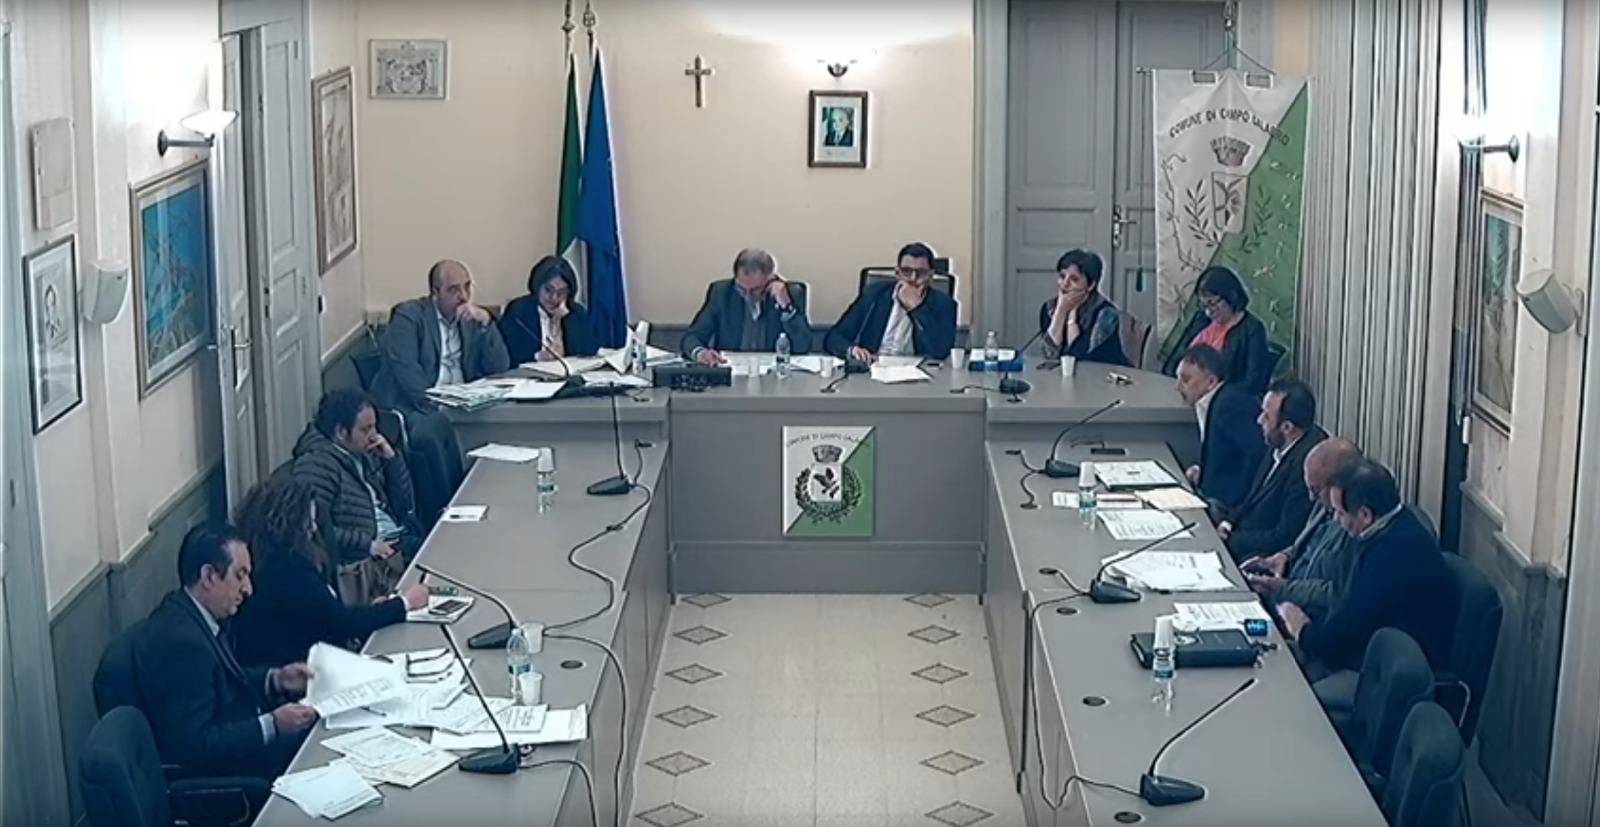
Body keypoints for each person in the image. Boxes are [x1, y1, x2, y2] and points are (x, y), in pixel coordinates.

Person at [132, 523, 317, 779]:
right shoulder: (183, 644)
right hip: (231, 773)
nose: (248, 589)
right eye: (240, 575)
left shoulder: (192, 615)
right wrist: (272, 725)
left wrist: (276, 679)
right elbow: (194, 744)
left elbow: (221, 681)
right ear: (209, 576)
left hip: (242, 741)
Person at [1277, 461, 1456, 681]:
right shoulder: (1385, 529)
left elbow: (1348, 631)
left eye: (1339, 512)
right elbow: (1342, 597)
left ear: (1365, 515)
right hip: (1362, 653)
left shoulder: (1394, 554)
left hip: (1380, 674)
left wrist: (1303, 631)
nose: (1336, 520)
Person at [232, 475, 429, 668]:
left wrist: (375, 609)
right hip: (304, 671)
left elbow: (325, 614)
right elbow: (343, 624)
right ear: (292, 524)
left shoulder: (265, 558)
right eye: (309, 521)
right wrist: (405, 603)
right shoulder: (289, 571)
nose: (313, 528)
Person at [375, 259, 511, 521]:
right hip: (419, 406)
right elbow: (408, 375)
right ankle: (445, 509)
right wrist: (438, 405)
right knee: (433, 429)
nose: (463, 296)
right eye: (453, 290)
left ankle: (491, 501)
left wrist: (487, 323)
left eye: (467, 287)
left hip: (464, 402)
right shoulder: (409, 316)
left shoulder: (471, 318)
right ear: (434, 293)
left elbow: (500, 366)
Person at [291, 389, 424, 604]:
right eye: (366, 429)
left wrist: (391, 460)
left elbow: (404, 505)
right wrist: (367, 544)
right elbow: (316, 530)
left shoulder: (365, 452)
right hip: (371, 558)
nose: (374, 435)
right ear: (341, 433)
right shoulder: (316, 465)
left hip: (397, 537)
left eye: (374, 426)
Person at [1241, 438, 1364, 619]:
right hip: (1286, 588)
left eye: (1315, 490)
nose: (1311, 498)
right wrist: (1284, 556)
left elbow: (1334, 592)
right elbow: (1307, 542)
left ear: (1339, 486)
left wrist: (1280, 588)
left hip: (1303, 613)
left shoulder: (1353, 525)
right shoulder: (1323, 502)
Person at [1217, 379, 1327, 561]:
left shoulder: (1307, 467)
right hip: (1241, 534)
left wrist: (1230, 541)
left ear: (1287, 427)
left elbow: (1283, 537)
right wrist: (1227, 523)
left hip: (1258, 556)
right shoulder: (1278, 442)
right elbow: (1252, 498)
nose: (1259, 420)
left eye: (1266, 416)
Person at [825, 242, 958, 362]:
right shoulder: (875, 294)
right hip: (873, 366)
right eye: (906, 271)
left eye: (921, 272)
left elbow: (940, 351)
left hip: (918, 371)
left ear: (930, 276)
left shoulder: (944, 304)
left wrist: (917, 308)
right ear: (897, 273)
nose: (913, 278)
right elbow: (833, 338)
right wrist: (852, 350)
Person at [682, 248, 813, 365]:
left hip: (774, 373)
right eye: (742, 289)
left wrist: (786, 306)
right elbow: (692, 337)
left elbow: (803, 347)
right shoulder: (721, 293)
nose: (748, 295)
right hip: (731, 371)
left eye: (755, 289)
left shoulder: (790, 293)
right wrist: (701, 354)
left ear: (771, 279)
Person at [1174, 344, 1266, 512]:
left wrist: (1233, 502)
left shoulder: (1230, 404)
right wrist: (1204, 471)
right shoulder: (1212, 401)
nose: (1178, 387)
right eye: (1178, 379)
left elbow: (1257, 453)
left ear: (1211, 381)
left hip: (1226, 504)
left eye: (1186, 380)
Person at [1161, 266, 1273, 393]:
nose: (1208, 312)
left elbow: (1254, 383)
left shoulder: (1252, 329)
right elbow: (1173, 362)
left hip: (1222, 399)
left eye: (1213, 304)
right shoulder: (1201, 319)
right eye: (1204, 305)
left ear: (1231, 296)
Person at [1038, 249, 1129, 366]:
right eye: (1062, 276)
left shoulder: (1106, 315)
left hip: (1104, 373)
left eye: (1074, 279)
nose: (1065, 284)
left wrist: (1072, 316)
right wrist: (1060, 312)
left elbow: (1080, 359)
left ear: (1091, 285)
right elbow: (1049, 355)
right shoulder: (1049, 309)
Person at [500, 255, 597, 365]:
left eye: (561, 292)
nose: (554, 298)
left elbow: (589, 352)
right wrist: (537, 356)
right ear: (537, 286)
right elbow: (505, 356)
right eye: (548, 290)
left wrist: (566, 319)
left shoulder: (576, 312)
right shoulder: (518, 311)